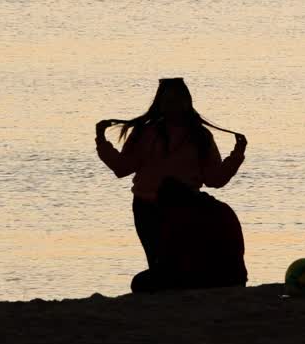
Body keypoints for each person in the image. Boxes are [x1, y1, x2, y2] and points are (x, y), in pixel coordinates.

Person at [95, 78, 248, 292]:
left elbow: (215, 179)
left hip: (185, 211)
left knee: (171, 266)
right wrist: (101, 142)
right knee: (160, 265)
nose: (173, 106)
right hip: (147, 208)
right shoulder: (145, 132)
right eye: (168, 101)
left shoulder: (199, 136)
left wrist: (237, 155)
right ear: (160, 103)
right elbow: (122, 167)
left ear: (187, 102)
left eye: (177, 100)